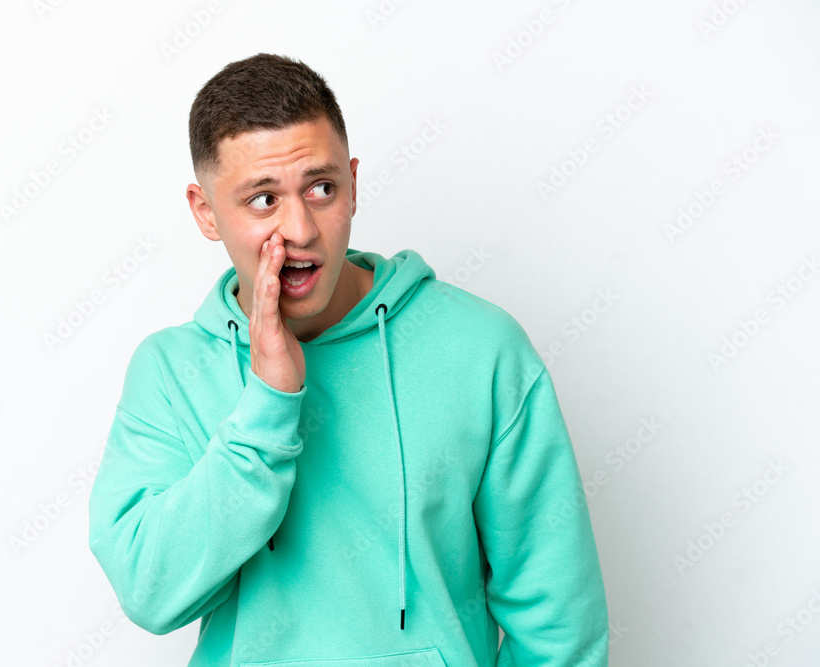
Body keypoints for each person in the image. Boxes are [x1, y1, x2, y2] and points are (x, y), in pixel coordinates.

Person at [88, 52, 609, 666]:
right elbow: (151, 592)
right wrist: (267, 407)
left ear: (354, 185)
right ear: (206, 212)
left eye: (321, 188)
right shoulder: (171, 372)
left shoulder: (482, 348)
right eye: (262, 200)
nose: (301, 228)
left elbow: (558, 622)